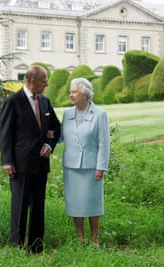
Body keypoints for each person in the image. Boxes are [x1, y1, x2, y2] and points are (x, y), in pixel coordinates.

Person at [0, 65, 61, 253]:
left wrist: (49, 144)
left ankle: (36, 246)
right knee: (20, 206)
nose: (47, 84)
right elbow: (5, 134)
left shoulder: (45, 101)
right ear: (32, 81)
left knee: (38, 206)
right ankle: (16, 245)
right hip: (20, 164)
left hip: (41, 164)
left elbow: (55, 128)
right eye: (44, 81)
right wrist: (7, 160)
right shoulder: (13, 101)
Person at [60, 77, 110, 247]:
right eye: (71, 91)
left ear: (84, 94)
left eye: (74, 92)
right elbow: (59, 137)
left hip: (91, 167)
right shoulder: (67, 114)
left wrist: (101, 167)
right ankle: (80, 238)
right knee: (75, 203)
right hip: (71, 166)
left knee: (93, 203)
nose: (71, 94)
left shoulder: (100, 114)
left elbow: (104, 143)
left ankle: (94, 239)